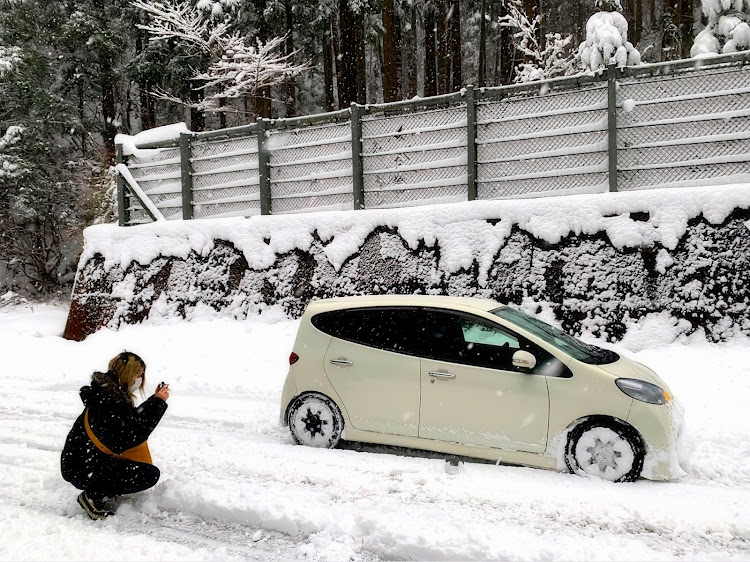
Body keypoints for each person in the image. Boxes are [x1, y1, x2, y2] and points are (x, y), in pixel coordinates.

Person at [61, 351, 170, 520]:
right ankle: (93, 496)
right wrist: (157, 403)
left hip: (83, 462)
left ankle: (100, 487)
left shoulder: (107, 395)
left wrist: (155, 400)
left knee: (142, 469)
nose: (139, 380)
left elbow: (131, 422)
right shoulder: (108, 401)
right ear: (129, 374)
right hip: (82, 468)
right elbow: (131, 436)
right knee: (148, 474)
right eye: (138, 375)